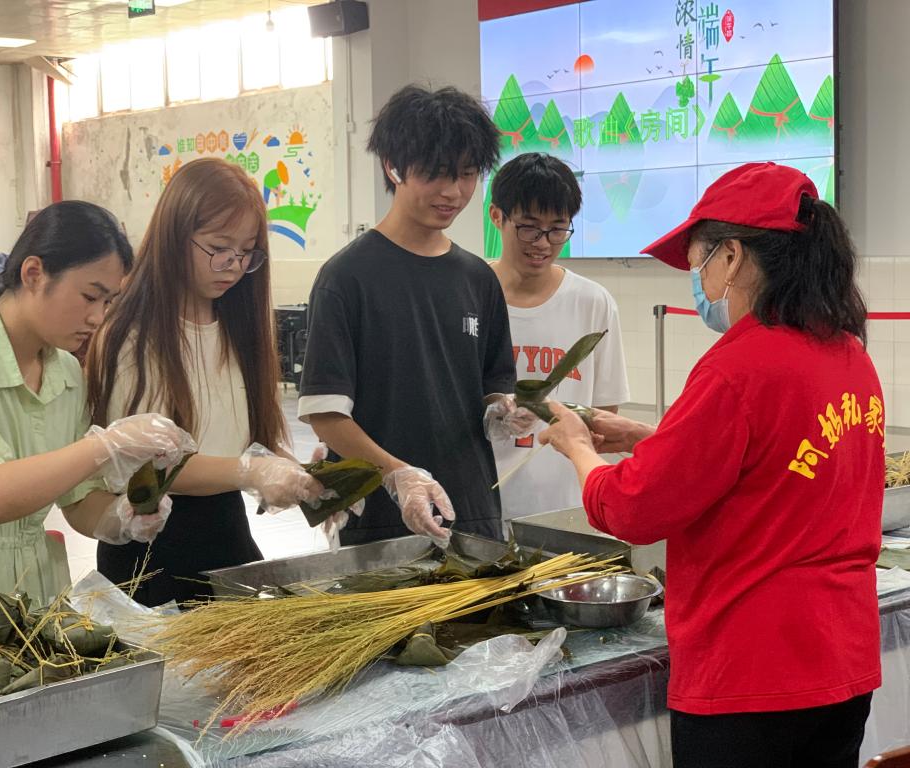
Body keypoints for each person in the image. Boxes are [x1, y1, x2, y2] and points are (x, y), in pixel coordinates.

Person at [538, 162, 883, 768]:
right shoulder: (848, 354)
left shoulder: (738, 367)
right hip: (842, 664)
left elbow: (632, 508)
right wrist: (651, 437)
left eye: (698, 262)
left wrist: (577, 448)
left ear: (732, 256)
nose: (696, 281)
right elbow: (777, 465)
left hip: (750, 674)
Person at [0, 201, 194, 607]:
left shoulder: (65, 372)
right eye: (90, 296)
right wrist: (105, 445)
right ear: (33, 274)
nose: (97, 317)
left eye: (107, 303)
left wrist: (123, 517)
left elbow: (78, 500)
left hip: (27, 592)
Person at [88, 157, 331, 607]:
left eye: (246, 253)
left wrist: (299, 476)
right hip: (150, 551)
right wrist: (249, 471)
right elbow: (150, 467)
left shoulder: (241, 327)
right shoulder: (129, 335)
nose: (234, 266)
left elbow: (250, 437)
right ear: (174, 236)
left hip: (226, 537)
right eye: (219, 248)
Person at [298, 84, 516, 547]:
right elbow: (326, 415)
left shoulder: (477, 277)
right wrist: (398, 475)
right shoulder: (346, 277)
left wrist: (504, 410)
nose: (453, 191)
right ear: (392, 166)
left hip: (471, 511)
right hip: (380, 519)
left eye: (467, 174)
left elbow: (493, 385)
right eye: (435, 173)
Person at [485, 152, 629, 518]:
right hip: (482, 501)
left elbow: (604, 412)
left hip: (565, 504)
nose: (543, 243)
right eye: (529, 227)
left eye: (558, 229)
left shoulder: (593, 302)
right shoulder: (469, 295)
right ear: (497, 216)